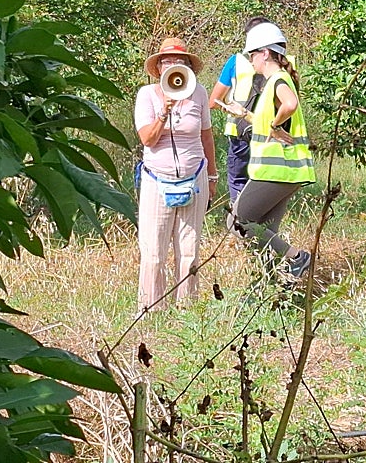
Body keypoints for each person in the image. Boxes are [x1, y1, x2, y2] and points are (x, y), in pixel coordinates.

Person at [134, 37, 218, 312]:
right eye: (168, 61)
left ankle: (187, 311)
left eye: (180, 62)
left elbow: (206, 136)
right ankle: (150, 309)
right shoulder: (146, 95)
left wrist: (213, 177)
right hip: (156, 180)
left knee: (189, 251)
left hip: (194, 177)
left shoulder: (200, 94)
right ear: (158, 67)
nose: (174, 66)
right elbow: (147, 139)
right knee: (154, 253)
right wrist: (163, 112)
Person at [230, 22, 316, 280]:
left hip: (276, 171)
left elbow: (289, 104)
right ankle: (270, 285)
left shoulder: (278, 79)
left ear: (265, 53)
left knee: (238, 223)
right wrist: (244, 113)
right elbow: (267, 123)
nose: (251, 60)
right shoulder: (274, 82)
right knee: (266, 232)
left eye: (252, 54)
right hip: (287, 173)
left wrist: (276, 125)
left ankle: (297, 258)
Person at [209, 16, 273, 207]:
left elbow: (214, 101)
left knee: (238, 182)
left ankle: (241, 226)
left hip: (240, 132)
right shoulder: (285, 63)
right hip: (272, 133)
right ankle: (260, 226)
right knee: (266, 183)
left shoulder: (236, 62)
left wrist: (233, 109)